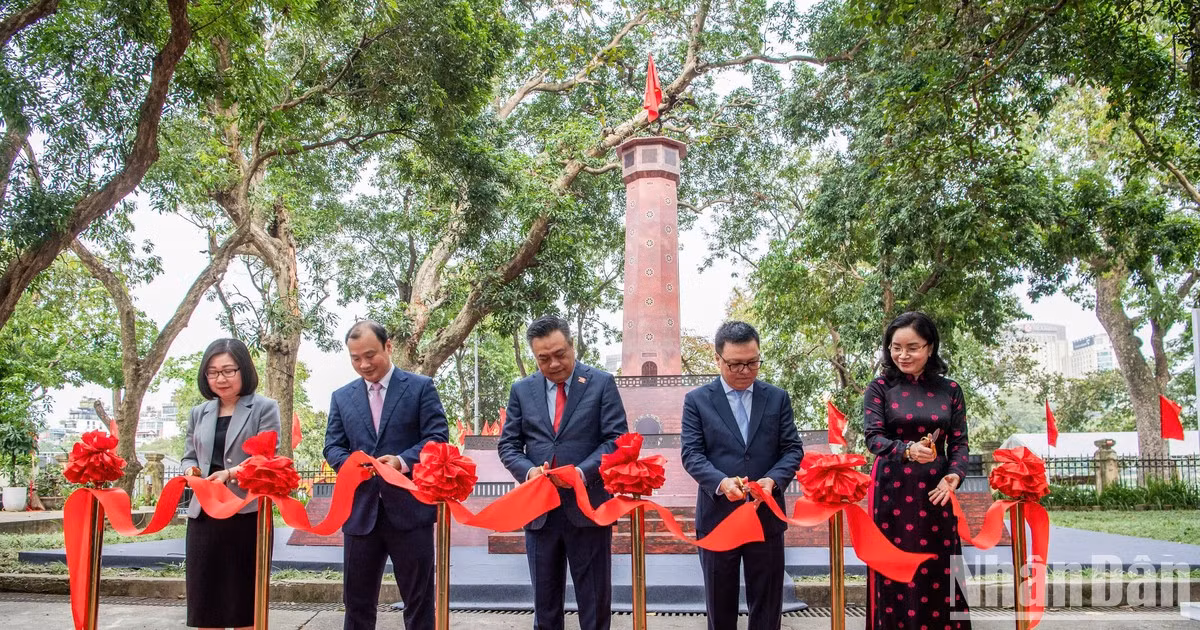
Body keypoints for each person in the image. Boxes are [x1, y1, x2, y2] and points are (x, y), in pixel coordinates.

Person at [497, 315, 628, 630]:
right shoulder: (522, 390)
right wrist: (529, 473)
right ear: (535, 356)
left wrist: (580, 473)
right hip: (540, 512)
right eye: (544, 358)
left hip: (587, 508)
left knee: (594, 604)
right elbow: (509, 446)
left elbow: (616, 440)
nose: (553, 363)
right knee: (545, 607)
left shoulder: (600, 383)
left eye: (560, 354)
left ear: (572, 345)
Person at [323, 320, 449, 630]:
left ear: (388, 347)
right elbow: (332, 447)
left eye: (370, 355)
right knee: (357, 603)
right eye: (355, 358)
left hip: (410, 512)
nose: (363, 364)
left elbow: (437, 437)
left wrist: (402, 462)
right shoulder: (342, 397)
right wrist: (352, 464)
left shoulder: (420, 387)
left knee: (419, 602)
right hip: (360, 515)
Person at [680, 321, 805, 630]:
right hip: (717, 517)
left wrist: (773, 481)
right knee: (719, 606)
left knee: (767, 604)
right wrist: (721, 483)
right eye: (735, 364)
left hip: (766, 516)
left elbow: (792, 449)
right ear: (718, 359)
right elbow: (692, 455)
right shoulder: (697, 401)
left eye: (753, 362)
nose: (745, 371)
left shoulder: (776, 398)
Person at [863, 311, 971, 630]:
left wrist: (955, 475)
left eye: (913, 347)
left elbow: (960, 443)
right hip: (892, 493)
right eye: (896, 347)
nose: (903, 355)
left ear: (930, 347)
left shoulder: (950, 390)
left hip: (937, 494)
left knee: (939, 568)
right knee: (895, 566)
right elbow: (873, 438)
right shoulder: (880, 388)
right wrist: (907, 450)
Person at [181, 338, 281, 630]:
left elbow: (267, 457)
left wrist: (231, 472)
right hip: (204, 514)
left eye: (228, 370)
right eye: (212, 372)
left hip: (245, 514)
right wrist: (191, 471)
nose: (220, 379)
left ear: (243, 370)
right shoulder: (199, 412)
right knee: (205, 600)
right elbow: (188, 456)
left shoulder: (264, 408)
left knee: (243, 600)